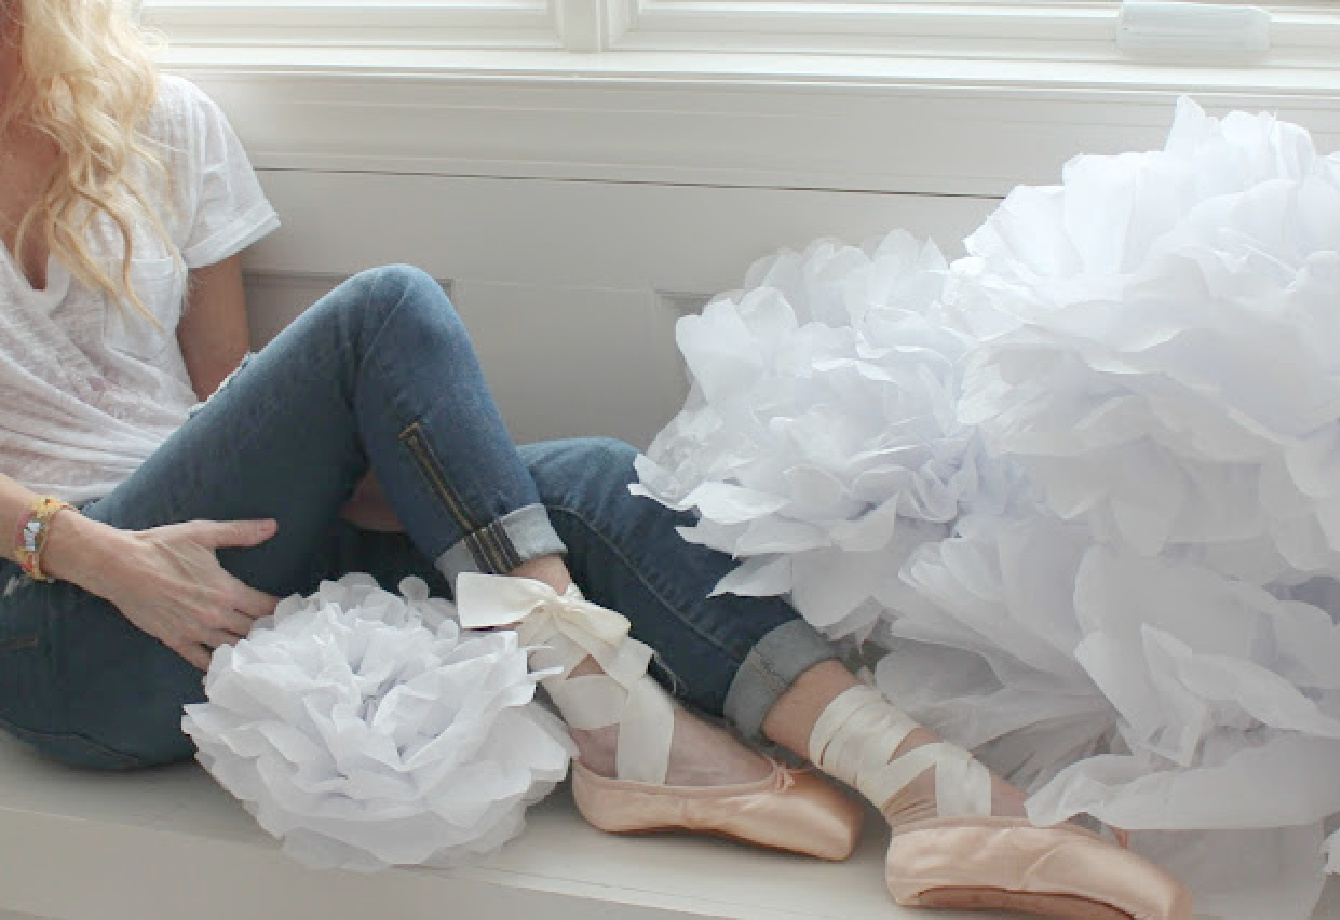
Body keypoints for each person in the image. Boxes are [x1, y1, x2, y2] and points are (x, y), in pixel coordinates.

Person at [0, 2, 1191, 917]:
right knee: (386, 309)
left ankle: (919, 783)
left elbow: (226, 401)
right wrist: (87, 548)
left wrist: (428, 482)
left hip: (216, 562)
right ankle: (612, 714)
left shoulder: (161, 121)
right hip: (63, 624)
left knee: (581, 479)